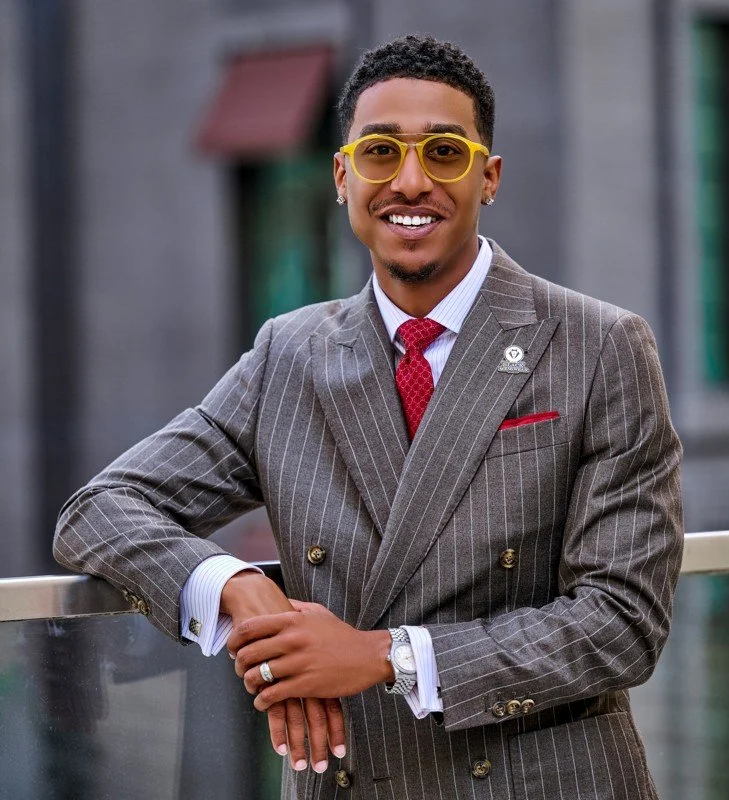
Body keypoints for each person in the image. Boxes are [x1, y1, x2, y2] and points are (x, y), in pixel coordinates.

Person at [54, 34, 683, 799]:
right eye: (381, 152)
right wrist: (236, 588)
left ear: (489, 178)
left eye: (444, 153)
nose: (411, 182)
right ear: (342, 177)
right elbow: (98, 511)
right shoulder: (289, 355)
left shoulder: (598, 344)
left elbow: (622, 622)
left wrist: (389, 656)